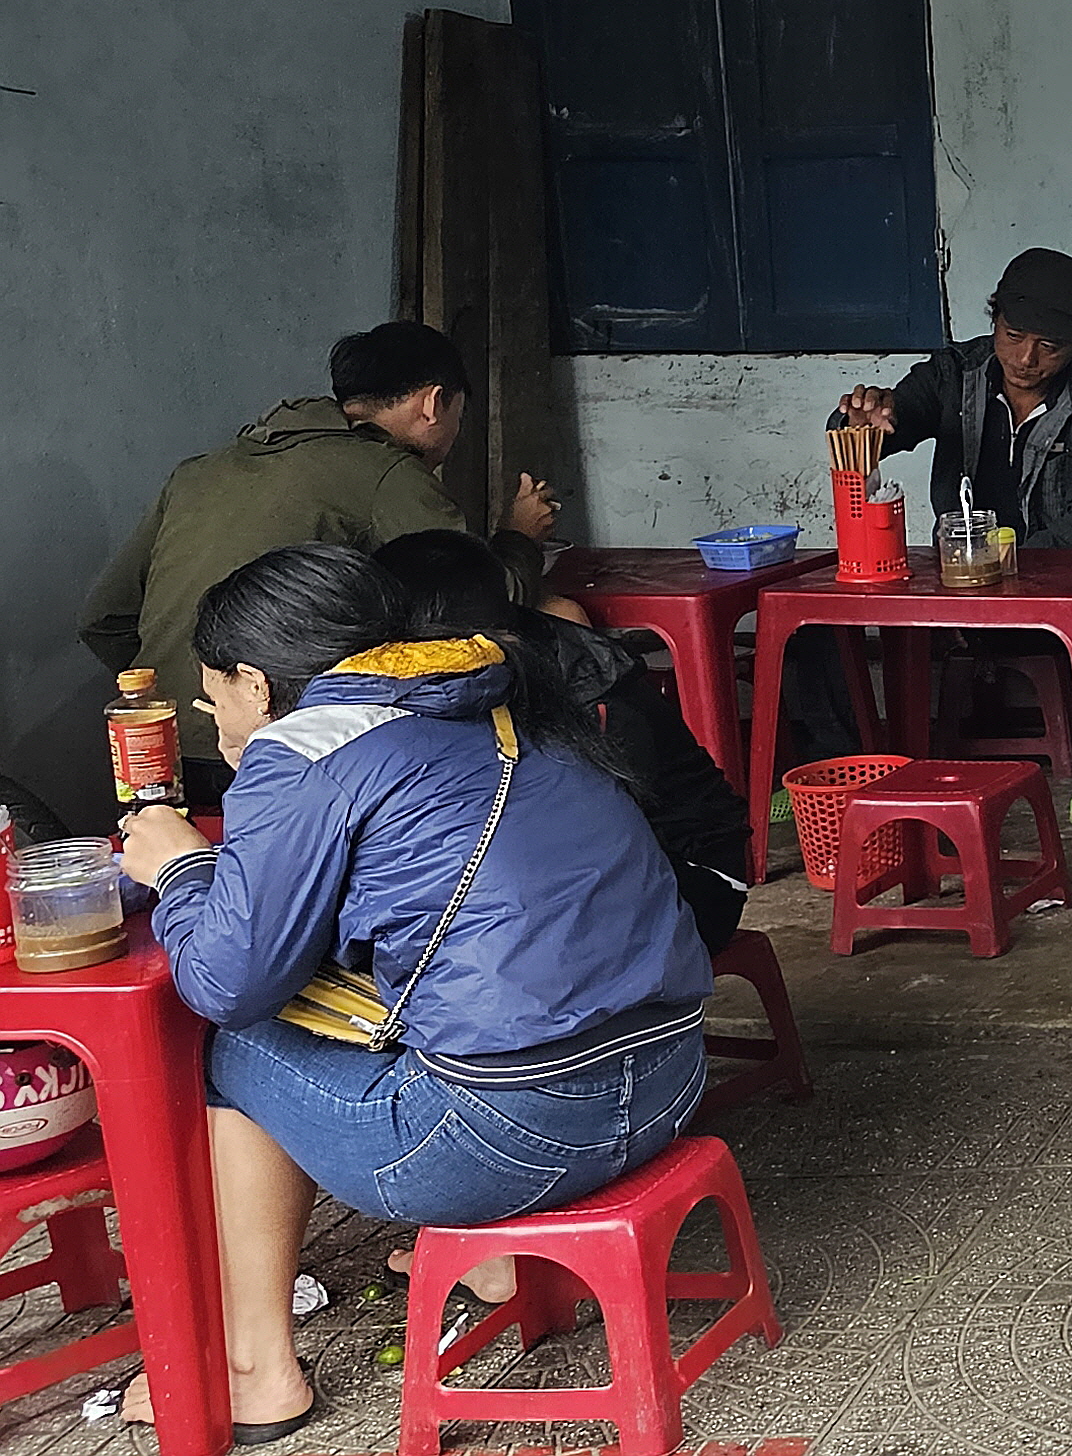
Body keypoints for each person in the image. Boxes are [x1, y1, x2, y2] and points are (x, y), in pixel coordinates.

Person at [112, 543, 709, 1441]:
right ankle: (506, 1262)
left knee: (232, 1049)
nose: (212, 713)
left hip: (508, 1138)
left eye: (215, 693)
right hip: (669, 1081)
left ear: (258, 685)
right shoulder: (497, 694)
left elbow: (225, 982)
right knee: (429, 1004)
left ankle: (256, 1368)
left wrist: (185, 867)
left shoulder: (306, 748)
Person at [85, 319, 562, 805]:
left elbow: (103, 618)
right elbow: (486, 602)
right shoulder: (388, 473)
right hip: (291, 747)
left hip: (156, 745)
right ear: (433, 403)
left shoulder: (198, 472)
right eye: (458, 416)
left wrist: (190, 684)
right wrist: (519, 535)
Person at [377, 529, 753, 955]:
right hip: (594, 870)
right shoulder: (486, 660)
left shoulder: (584, 689)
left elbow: (588, 839)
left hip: (692, 881)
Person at [829, 247, 1072, 549]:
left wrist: (994, 565)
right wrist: (861, 428)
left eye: (1048, 346)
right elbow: (893, 422)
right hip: (961, 573)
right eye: (1013, 336)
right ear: (995, 320)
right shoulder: (953, 373)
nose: (1025, 359)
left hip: (1061, 584)